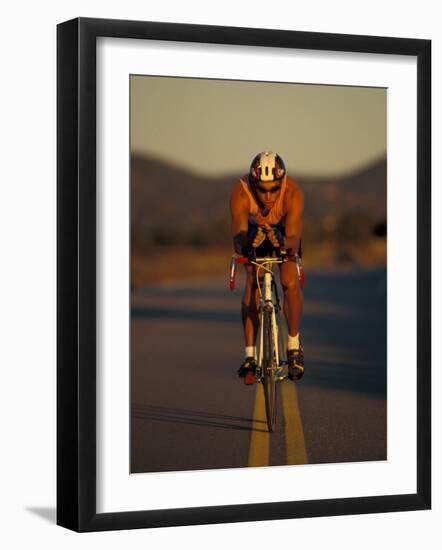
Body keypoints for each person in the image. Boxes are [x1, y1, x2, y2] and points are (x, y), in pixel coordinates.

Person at [229, 151, 305, 385]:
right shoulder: (240, 193)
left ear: (282, 182)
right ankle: (250, 355)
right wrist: (247, 246)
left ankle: (293, 346)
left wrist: (282, 245)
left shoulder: (293, 193)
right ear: (253, 183)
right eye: (261, 189)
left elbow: (293, 237)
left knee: (288, 281)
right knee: (252, 280)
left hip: (283, 234)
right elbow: (238, 236)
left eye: (274, 189)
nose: (268, 195)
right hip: (252, 233)